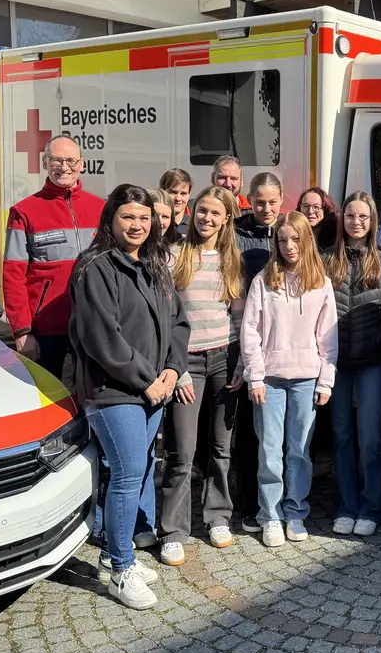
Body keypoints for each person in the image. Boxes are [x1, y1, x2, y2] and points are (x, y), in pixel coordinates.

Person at [68, 184, 189, 610]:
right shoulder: (95, 267)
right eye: (128, 217)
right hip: (113, 391)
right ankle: (121, 569)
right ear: (111, 219)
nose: (137, 225)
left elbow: (178, 323)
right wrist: (145, 380)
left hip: (154, 387)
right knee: (126, 473)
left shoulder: (155, 264)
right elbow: (102, 336)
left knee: (136, 474)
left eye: (144, 218)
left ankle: (112, 554)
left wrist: (172, 368)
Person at [241, 211, 338, 548]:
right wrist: (254, 376)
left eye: (295, 239)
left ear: (306, 240)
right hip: (269, 379)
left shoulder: (320, 282)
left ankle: (295, 510)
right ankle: (270, 515)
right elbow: (250, 331)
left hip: (306, 378)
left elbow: (328, 336)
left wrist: (325, 380)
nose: (289, 246)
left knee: (299, 450)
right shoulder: (263, 280)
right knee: (269, 450)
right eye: (282, 240)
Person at [160, 186, 245, 565]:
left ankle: (217, 516)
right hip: (187, 364)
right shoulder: (175, 255)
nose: (207, 218)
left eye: (215, 213)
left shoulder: (232, 259)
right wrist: (175, 369)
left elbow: (239, 316)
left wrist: (241, 363)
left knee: (221, 447)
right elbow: (165, 318)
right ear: (192, 212)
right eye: (202, 211)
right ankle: (173, 531)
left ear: (226, 219)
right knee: (182, 451)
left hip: (224, 359)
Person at [325, 191, 381, 537]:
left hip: (372, 361)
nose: (356, 222)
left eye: (363, 216)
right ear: (342, 219)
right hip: (337, 362)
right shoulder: (326, 259)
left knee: (370, 437)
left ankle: (371, 506)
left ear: (373, 221)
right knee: (341, 435)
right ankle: (347, 505)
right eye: (350, 216)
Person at [2, 136, 104, 381]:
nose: (64, 167)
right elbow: (13, 276)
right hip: (45, 330)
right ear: (45, 162)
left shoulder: (101, 208)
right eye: (56, 160)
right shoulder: (23, 212)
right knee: (46, 394)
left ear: (82, 164)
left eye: (71, 160)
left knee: (91, 395)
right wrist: (22, 330)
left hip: (92, 325)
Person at [230, 172, 284, 533]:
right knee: (249, 432)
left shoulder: (288, 232)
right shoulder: (236, 234)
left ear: (282, 201)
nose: (266, 209)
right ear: (248, 200)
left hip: (281, 344)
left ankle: (283, 502)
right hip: (246, 339)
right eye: (259, 202)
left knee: (278, 432)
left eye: (272, 202)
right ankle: (249, 502)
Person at [298, 186, 339, 253]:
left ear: (325, 209)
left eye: (316, 207)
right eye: (306, 206)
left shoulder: (337, 235)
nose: (310, 211)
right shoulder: (293, 231)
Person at [159, 168, 193, 240]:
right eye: (173, 192)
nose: (178, 198)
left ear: (189, 195)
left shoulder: (194, 226)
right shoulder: (152, 224)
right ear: (162, 192)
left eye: (183, 193)